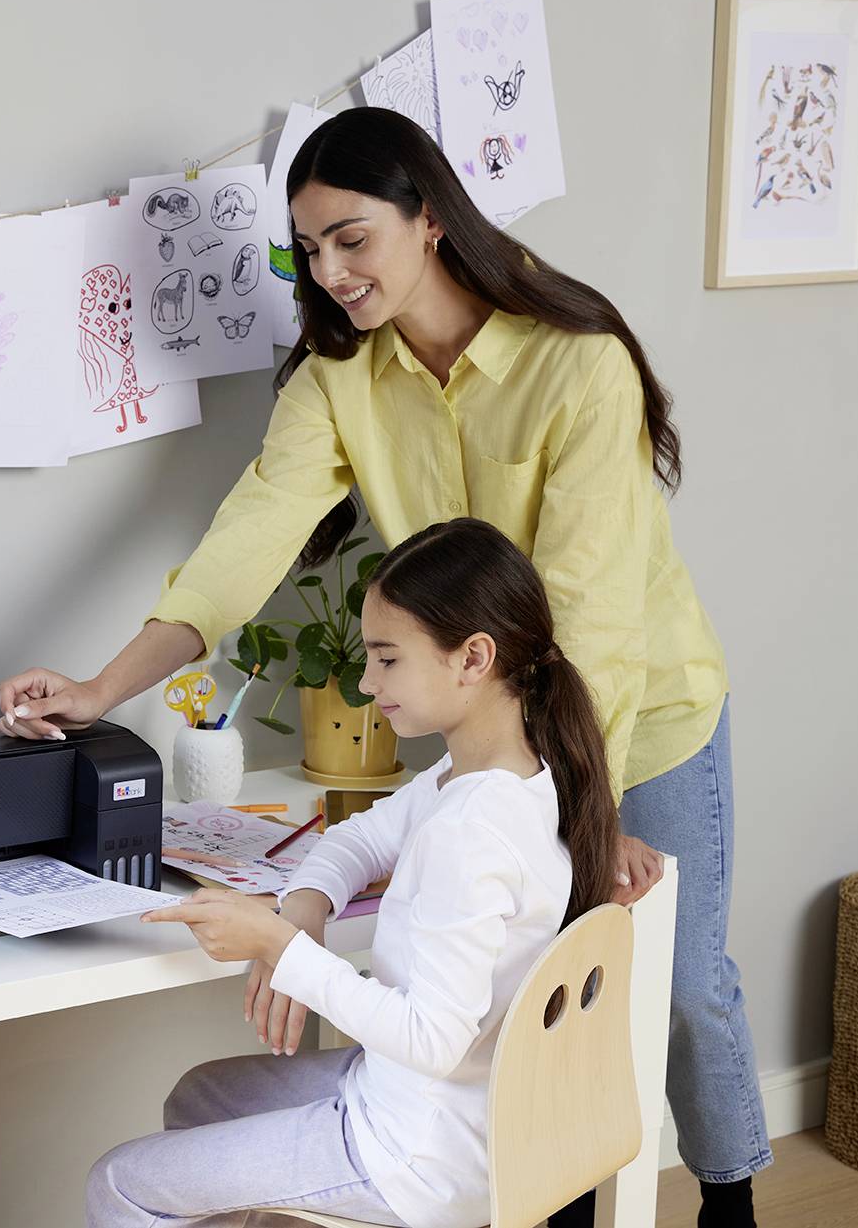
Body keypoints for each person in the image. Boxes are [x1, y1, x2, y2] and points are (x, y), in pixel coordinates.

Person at [3, 107, 765, 1227]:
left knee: (677, 987)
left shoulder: (576, 365)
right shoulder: (337, 377)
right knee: (521, 1016)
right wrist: (100, 689)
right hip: (495, 741)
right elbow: (244, 547)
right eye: (310, 250)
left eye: (353, 238)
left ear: (431, 219)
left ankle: (732, 1200)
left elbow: (594, 624)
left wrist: (578, 814)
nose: (332, 271)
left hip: (635, 720)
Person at [88, 518, 615, 1227]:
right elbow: (363, 834)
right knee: (198, 1097)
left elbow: (432, 1038)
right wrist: (304, 902)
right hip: (430, 1106)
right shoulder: (504, 775)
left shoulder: (471, 831)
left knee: (119, 1181)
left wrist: (280, 947)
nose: (365, 682)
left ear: (474, 657)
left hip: (414, 1151)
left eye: (387, 659)